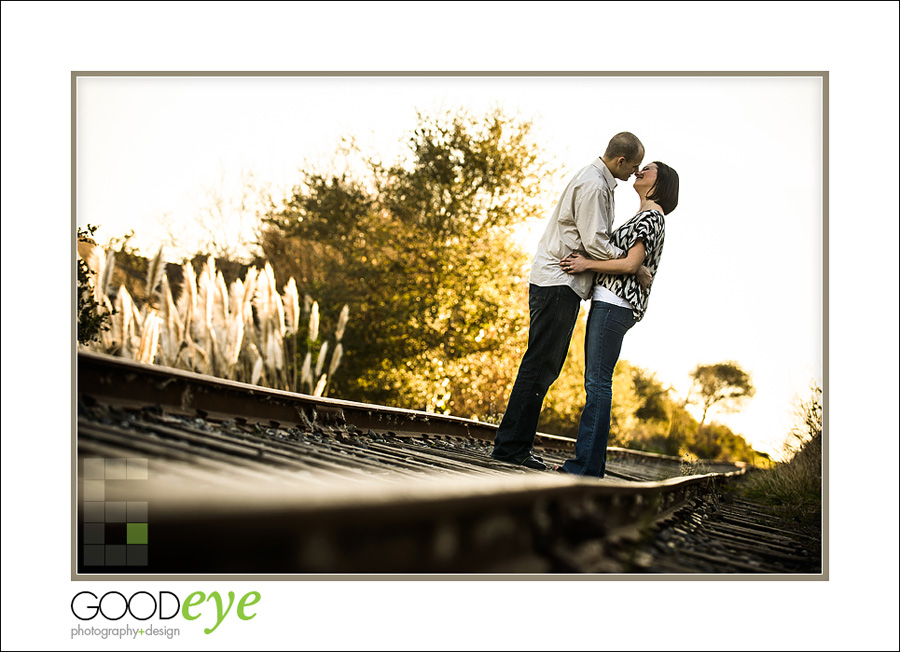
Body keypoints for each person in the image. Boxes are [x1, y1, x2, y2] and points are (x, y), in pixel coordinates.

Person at [490, 132, 648, 470]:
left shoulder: (597, 182)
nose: (635, 173)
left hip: (560, 284)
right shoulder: (594, 186)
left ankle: (513, 445)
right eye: (634, 166)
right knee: (540, 366)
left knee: (542, 365)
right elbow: (595, 243)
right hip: (558, 283)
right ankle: (509, 448)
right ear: (620, 161)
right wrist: (634, 266)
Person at [557, 160, 679, 478]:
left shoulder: (651, 218)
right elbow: (632, 264)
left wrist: (586, 264)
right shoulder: (644, 216)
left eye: (647, 169)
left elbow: (629, 264)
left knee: (597, 384)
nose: (639, 171)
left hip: (615, 304)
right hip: (612, 303)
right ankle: (590, 465)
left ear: (660, 182)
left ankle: (585, 466)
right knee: (597, 383)